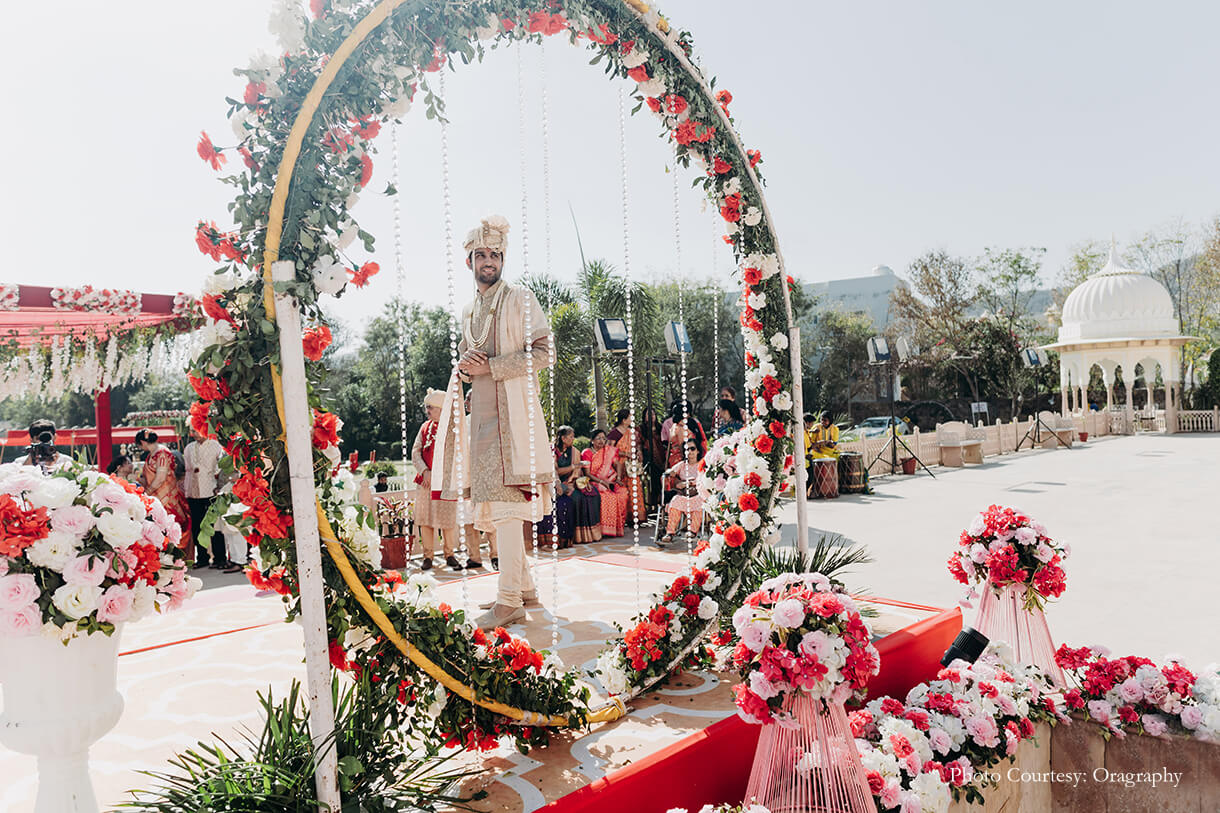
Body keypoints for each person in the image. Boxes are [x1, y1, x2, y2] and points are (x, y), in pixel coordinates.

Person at [433, 214, 554, 629]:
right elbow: (472, 362)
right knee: (497, 506)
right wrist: (467, 367)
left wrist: (492, 367)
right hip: (481, 421)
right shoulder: (469, 310)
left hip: (513, 420)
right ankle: (524, 589)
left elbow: (545, 353)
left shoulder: (520, 299)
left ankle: (509, 601)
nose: (489, 261)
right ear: (469, 261)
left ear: (503, 259)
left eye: (495, 255)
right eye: (482, 255)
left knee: (506, 507)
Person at [411, 389, 461, 572]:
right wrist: (425, 471)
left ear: (440, 408)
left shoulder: (452, 428)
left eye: (430, 407)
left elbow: (456, 453)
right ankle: (428, 556)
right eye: (427, 407)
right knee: (425, 520)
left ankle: (450, 555)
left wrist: (440, 474)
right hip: (425, 483)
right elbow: (415, 451)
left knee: (447, 520)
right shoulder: (424, 427)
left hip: (446, 482)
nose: (427, 411)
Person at [135, 428, 192, 561]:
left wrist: (147, 492)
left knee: (172, 526)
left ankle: (176, 559)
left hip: (168, 497)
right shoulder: (152, 455)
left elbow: (160, 478)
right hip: (157, 498)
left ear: (142, 442)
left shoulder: (162, 453)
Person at [184, 428, 226, 569]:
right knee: (197, 526)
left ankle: (220, 558)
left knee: (215, 526)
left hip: (211, 490)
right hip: (193, 492)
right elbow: (188, 471)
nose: (194, 434)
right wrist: (187, 490)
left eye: (197, 431)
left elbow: (221, 469)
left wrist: (220, 487)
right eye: (192, 431)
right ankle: (202, 558)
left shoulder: (216, 446)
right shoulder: (189, 447)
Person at [580, 429, 630, 538]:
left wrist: (618, 478)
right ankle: (605, 529)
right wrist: (602, 482)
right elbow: (587, 474)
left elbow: (617, 464)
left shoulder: (608, 451)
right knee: (607, 497)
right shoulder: (587, 453)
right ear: (592, 440)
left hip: (610, 479)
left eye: (603, 438)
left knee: (623, 493)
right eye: (598, 438)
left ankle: (617, 527)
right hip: (594, 481)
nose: (601, 441)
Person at [660, 439, 705, 545]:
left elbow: (704, 479)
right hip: (684, 494)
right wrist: (670, 473)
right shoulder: (682, 465)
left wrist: (690, 483)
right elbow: (670, 471)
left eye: (692, 449)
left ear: (698, 451)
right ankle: (670, 533)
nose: (689, 452)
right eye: (687, 449)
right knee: (675, 500)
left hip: (697, 493)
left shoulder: (702, 465)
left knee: (700, 502)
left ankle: (692, 531)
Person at [638, 405, 665, 509]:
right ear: (644, 417)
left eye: (653, 414)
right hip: (648, 458)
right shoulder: (641, 429)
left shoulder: (660, 427)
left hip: (661, 457)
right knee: (653, 480)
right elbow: (638, 443)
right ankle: (653, 504)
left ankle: (661, 503)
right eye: (648, 415)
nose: (651, 416)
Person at [665, 401, 707, 468]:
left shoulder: (674, 426)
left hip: (674, 458)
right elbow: (682, 447)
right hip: (680, 461)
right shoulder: (680, 428)